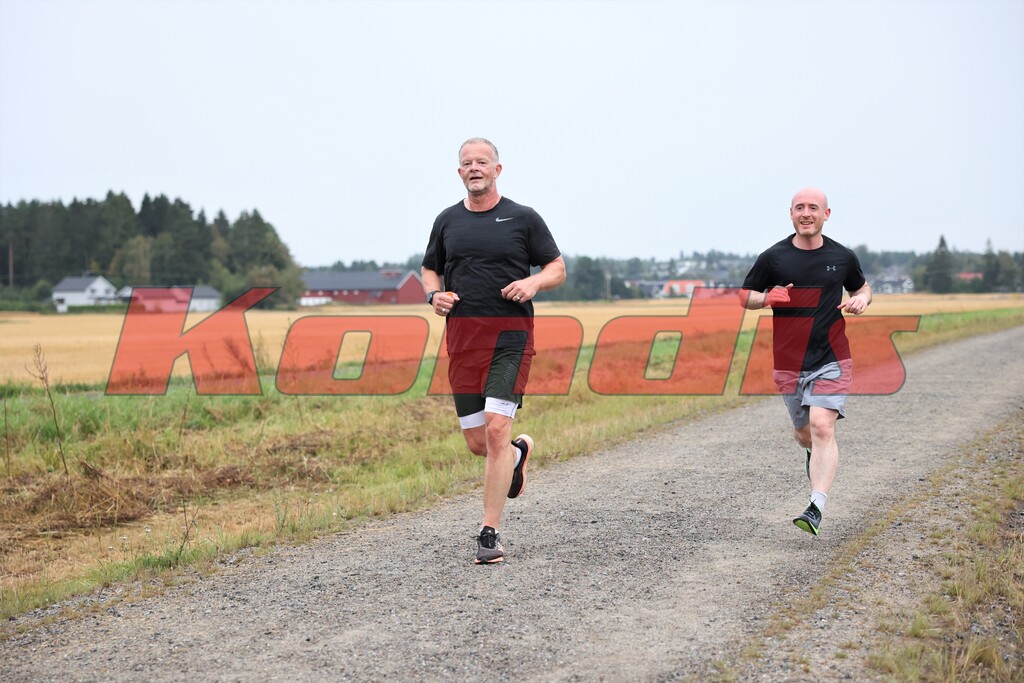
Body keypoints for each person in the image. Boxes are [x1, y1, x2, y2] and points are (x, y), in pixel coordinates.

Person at [421, 137, 566, 563]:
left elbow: (557, 268)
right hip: (463, 343)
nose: (475, 168)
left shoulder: (523, 218)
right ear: (459, 172)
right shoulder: (447, 221)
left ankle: (489, 532)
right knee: (479, 442)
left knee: (497, 428)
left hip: (510, 341)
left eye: (482, 162)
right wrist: (434, 296)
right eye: (467, 163)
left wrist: (533, 282)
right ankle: (518, 456)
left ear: (497, 170)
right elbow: (430, 269)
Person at [739, 188, 872, 536]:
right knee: (805, 434)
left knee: (822, 426)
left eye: (813, 207)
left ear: (826, 214)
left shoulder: (842, 257)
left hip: (832, 357)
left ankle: (816, 506)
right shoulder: (773, 258)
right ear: (791, 213)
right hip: (789, 362)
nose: (806, 213)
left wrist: (861, 300)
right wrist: (767, 298)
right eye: (800, 207)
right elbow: (744, 296)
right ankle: (813, 455)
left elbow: (862, 288)